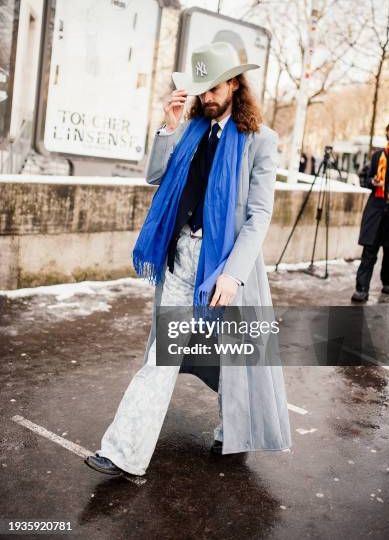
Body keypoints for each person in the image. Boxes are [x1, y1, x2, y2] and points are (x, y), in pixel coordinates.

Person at [84, 41, 292, 477]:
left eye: (215, 87)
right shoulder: (192, 129)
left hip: (226, 265)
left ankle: (233, 428)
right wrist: (169, 127)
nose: (208, 96)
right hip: (181, 256)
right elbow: (155, 176)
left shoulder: (261, 141)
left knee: (233, 359)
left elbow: (258, 217)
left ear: (235, 83)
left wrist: (233, 275)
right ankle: (124, 452)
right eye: (202, 89)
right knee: (162, 355)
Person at [351, 119, 389, 302]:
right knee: (369, 250)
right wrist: (372, 182)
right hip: (376, 208)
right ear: (387, 132)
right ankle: (362, 288)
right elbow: (365, 178)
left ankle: (388, 281)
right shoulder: (378, 156)